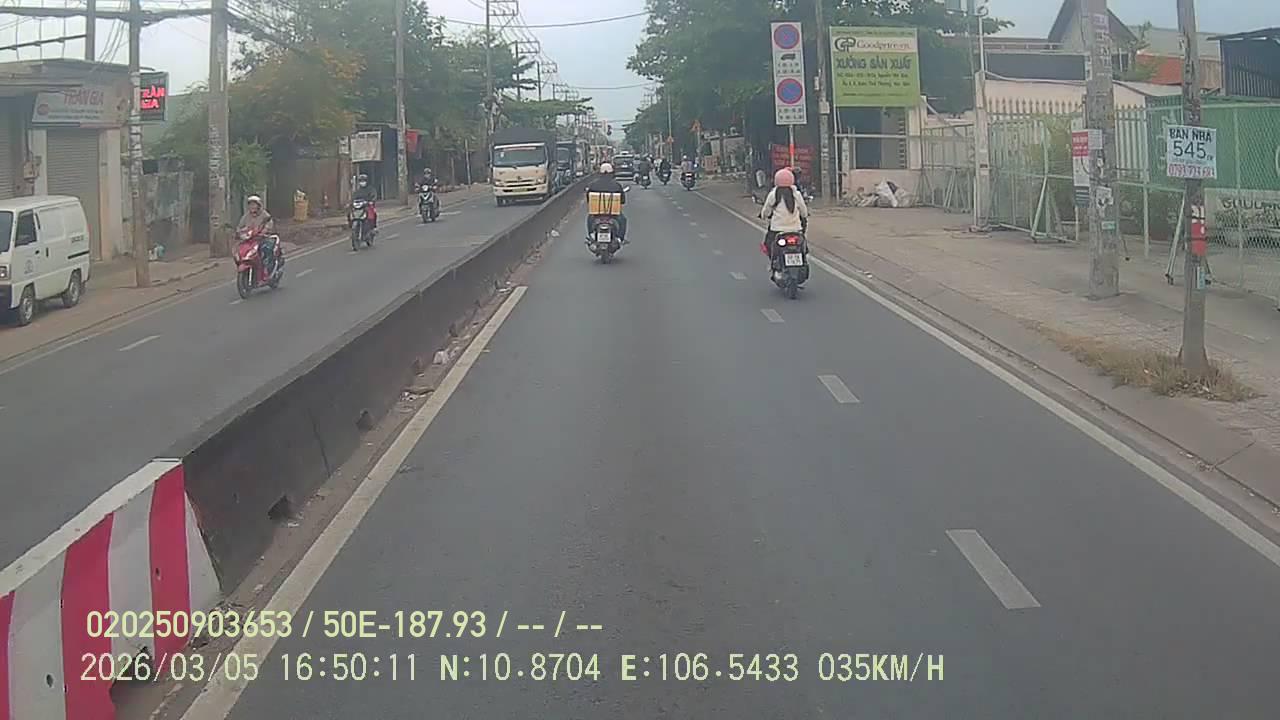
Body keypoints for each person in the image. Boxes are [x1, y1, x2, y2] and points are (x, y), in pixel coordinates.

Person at [758, 168, 809, 270]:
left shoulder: (773, 194)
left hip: (777, 229)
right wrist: (804, 216)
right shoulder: (796, 194)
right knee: (802, 244)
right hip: (795, 229)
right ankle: (803, 261)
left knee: (768, 244)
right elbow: (804, 211)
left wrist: (763, 216)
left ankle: (773, 263)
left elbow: (766, 210)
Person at [586, 162, 627, 242]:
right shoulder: (616, 185)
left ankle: (591, 235)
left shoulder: (593, 185)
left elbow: (589, 199)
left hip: (597, 213)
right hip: (613, 213)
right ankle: (619, 238)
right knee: (623, 220)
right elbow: (622, 200)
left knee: (590, 218)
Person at [237, 195, 279, 274]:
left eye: (254, 204)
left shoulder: (264, 215)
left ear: (258, 205)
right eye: (250, 204)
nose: (252, 207)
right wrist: (239, 232)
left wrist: (264, 231)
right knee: (240, 251)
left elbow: (269, 223)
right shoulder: (246, 216)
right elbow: (240, 227)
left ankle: (267, 269)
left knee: (266, 250)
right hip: (250, 240)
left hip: (262, 238)